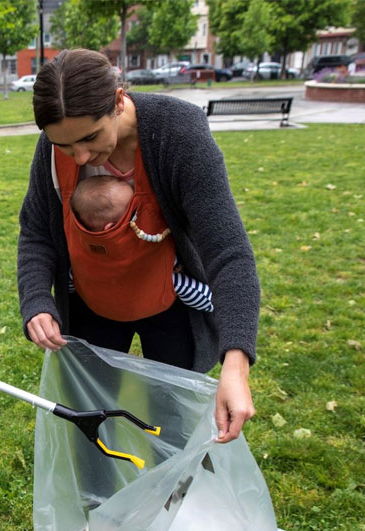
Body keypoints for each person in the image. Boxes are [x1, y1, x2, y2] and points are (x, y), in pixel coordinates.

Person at [18, 49, 259, 443]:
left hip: (169, 303)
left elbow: (228, 253)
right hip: (91, 302)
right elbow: (36, 232)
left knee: (173, 418)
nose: (80, 156)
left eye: (90, 138)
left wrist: (236, 364)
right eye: (64, 145)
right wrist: (36, 301)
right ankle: (98, 504)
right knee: (90, 421)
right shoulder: (51, 150)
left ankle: (173, 497)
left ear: (117, 101)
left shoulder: (178, 134)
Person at [71, 175, 214, 313]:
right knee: (189, 288)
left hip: (100, 304)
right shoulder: (137, 243)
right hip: (154, 287)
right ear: (112, 227)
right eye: (132, 209)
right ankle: (218, 304)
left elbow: (71, 279)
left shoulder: (81, 251)